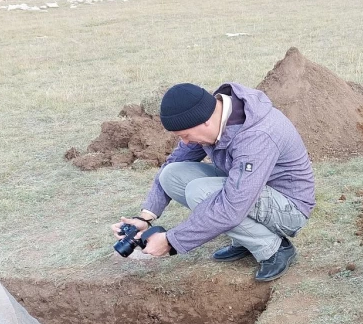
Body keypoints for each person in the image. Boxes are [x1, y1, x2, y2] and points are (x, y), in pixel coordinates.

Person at [112, 82, 315, 281]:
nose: (185, 142)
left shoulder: (257, 135)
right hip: (251, 190)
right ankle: (245, 239)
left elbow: (232, 207)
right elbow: (174, 162)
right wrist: (145, 217)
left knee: (199, 191)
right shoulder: (214, 117)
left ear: (205, 121)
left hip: (289, 208)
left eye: (185, 135)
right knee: (171, 175)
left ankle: (274, 249)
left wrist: (171, 241)